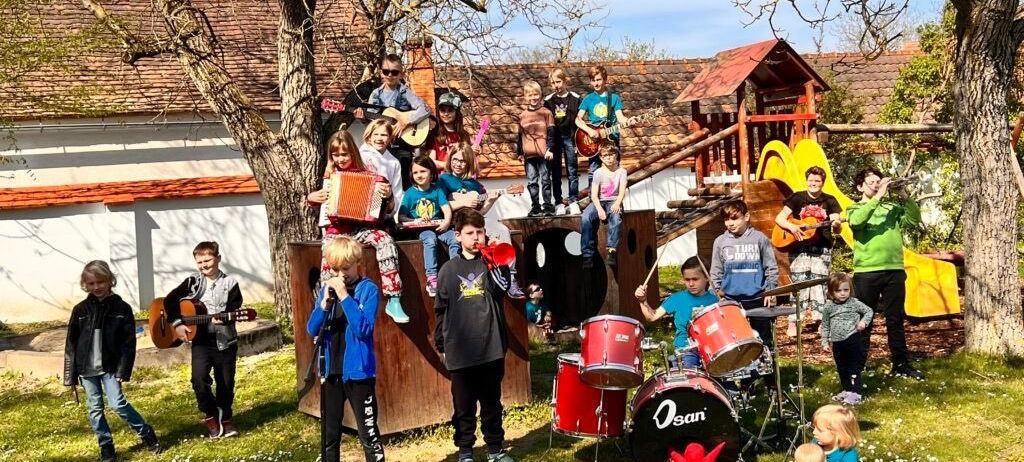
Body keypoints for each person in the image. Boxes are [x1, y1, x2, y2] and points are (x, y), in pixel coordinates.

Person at [434, 208, 519, 462]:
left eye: (479, 232)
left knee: (492, 403)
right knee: (463, 406)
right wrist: (441, 344)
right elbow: (440, 309)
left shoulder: (494, 263)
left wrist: (494, 260)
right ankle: (465, 452)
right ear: (457, 236)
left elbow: (501, 289)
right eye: (470, 233)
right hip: (460, 349)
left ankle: (495, 449)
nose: (476, 238)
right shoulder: (448, 270)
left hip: (490, 345)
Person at [307, 130, 409, 323]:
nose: (340, 159)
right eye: (335, 155)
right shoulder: (330, 177)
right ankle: (323, 311)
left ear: (353, 153)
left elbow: (388, 210)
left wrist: (388, 197)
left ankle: (393, 298)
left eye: (344, 154)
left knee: (384, 239)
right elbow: (318, 203)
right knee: (329, 258)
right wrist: (311, 198)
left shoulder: (371, 177)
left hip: (359, 229)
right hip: (336, 231)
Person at [64, 261, 162, 462]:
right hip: (87, 369)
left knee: (117, 404)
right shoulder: (80, 310)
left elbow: (128, 344)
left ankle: (146, 432)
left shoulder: (122, 308)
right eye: (91, 283)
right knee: (95, 408)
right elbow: (71, 343)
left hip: (110, 367)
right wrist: (70, 375)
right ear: (85, 285)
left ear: (110, 281)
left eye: (100, 282)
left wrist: (122, 371)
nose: (96, 287)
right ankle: (106, 445)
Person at [306, 236, 386, 462]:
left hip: (359, 373)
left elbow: (363, 329)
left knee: (367, 432)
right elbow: (312, 329)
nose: (342, 273)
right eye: (336, 268)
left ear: (357, 262)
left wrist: (344, 296)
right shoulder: (327, 291)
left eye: (346, 267)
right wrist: (323, 306)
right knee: (329, 435)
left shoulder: (367, 290)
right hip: (332, 371)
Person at [848, 167, 924, 380]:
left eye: (878, 181)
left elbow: (913, 221)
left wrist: (904, 196)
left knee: (895, 319)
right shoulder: (854, 208)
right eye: (871, 182)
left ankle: (901, 364)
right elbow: (857, 222)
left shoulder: (892, 207)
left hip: (894, 271)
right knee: (865, 320)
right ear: (860, 187)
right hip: (866, 272)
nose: (876, 184)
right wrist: (879, 195)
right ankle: (858, 365)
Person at [165, 241, 243, 438]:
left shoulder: (230, 284)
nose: (204, 265)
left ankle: (226, 418)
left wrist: (224, 318)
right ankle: (210, 414)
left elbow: (234, 309)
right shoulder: (193, 281)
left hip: (224, 341)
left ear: (218, 258)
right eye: (199, 262)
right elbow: (169, 300)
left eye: (207, 260)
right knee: (198, 379)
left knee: (225, 382)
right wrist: (178, 324)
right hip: (200, 342)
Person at [774, 166, 842, 337]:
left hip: (822, 247)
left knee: (820, 284)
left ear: (822, 183)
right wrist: (792, 227)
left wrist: (837, 224)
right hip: (799, 247)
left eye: (817, 181)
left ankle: (821, 322)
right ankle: (794, 321)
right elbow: (780, 218)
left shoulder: (830, 200)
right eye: (811, 180)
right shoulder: (797, 198)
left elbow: (837, 225)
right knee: (799, 284)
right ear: (807, 181)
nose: (814, 184)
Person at [710, 199, 779, 350]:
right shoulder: (720, 241)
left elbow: (771, 267)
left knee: (763, 339)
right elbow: (716, 270)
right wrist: (716, 291)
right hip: (730, 299)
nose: (730, 223)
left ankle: (767, 372)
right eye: (727, 219)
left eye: (735, 218)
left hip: (757, 298)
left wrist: (771, 290)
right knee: (735, 339)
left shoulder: (759, 238)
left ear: (746, 217)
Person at [355, 53, 431, 187]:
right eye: (386, 71)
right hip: (382, 147)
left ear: (400, 74)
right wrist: (362, 119)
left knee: (404, 181)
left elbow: (425, 109)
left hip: (402, 145)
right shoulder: (375, 95)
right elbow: (373, 123)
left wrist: (406, 121)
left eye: (394, 72)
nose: (390, 75)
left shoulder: (404, 92)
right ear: (381, 73)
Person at [634, 256, 718, 369]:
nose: (691, 284)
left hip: (712, 348)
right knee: (689, 375)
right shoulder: (677, 298)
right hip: (686, 350)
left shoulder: (715, 300)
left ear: (707, 277)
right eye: (687, 280)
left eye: (695, 279)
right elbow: (652, 317)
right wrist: (642, 301)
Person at [399, 155, 456, 297]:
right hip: (422, 229)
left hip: (439, 226)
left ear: (431, 173)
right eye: (416, 172)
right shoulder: (410, 193)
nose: (419, 175)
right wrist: (415, 221)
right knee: (430, 240)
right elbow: (401, 217)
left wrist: (447, 221)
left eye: (423, 171)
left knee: (455, 238)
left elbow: (446, 208)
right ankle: (432, 278)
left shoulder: (437, 190)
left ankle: (457, 269)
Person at [575, 65, 635, 187]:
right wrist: (589, 131)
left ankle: (615, 202)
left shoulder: (614, 98)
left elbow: (620, 118)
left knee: (615, 172)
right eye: (593, 80)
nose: (596, 83)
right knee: (594, 171)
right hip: (594, 142)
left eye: (598, 79)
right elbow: (578, 119)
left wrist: (628, 121)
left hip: (611, 140)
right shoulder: (588, 99)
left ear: (605, 79)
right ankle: (594, 201)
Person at [820, 272, 873, 405]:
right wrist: (825, 342)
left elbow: (869, 311)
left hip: (853, 339)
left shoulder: (854, 303)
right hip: (837, 342)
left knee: (853, 366)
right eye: (838, 291)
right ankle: (847, 389)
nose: (843, 293)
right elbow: (825, 325)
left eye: (846, 290)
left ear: (850, 289)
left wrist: (863, 323)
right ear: (831, 292)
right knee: (841, 367)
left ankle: (856, 392)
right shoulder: (828, 307)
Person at [580, 142, 628, 268]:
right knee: (585, 217)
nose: (608, 158)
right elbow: (594, 195)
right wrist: (600, 210)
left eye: (611, 155)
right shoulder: (598, 173)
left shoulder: (622, 171)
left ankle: (611, 250)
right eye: (605, 155)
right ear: (601, 158)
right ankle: (587, 254)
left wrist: (618, 203)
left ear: (616, 155)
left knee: (616, 218)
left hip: (614, 200)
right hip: (599, 201)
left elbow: (622, 191)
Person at [516, 80, 556, 217]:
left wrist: (550, 149)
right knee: (532, 182)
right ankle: (536, 207)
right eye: (530, 95)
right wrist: (519, 153)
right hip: (529, 155)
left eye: (536, 94)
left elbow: (551, 132)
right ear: (525, 97)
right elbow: (519, 136)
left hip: (544, 153)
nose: (533, 98)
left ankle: (548, 206)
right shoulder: (522, 116)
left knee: (545, 179)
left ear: (540, 95)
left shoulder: (546, 113)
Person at [544, 68, 581, 212]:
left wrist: (578, 142)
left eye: (558, 82)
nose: (556, 85)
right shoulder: (548, 101)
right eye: (553, 83)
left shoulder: (575, 98)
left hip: (570, 139)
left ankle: (573, 200)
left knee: (572, 170)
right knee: (556, 172)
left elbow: (579, 121)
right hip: (555, 140)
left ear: (565, 81)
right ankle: (558, 202)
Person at [360, 119, 404, 219]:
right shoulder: (360, 155)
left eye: (384, 135)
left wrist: (390, 196)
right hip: (357, 208)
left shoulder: (394, 163)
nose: (379, 138)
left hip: (380, 215)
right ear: (369, 137)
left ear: (390, 138)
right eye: (376, 134)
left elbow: (398, 193)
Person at [439, 144, 499, 215]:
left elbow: (479, 214)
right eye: (455, 159)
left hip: (468, 223)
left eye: (462, 161)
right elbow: (440, 206)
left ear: (469, 163)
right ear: (450, 159)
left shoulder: (475, 185)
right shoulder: (444, 179)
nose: (458, 164)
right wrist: (464, 203)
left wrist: (490, 201)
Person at [426, 91, 473, 171]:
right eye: (443, 110)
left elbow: (468, 162)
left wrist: (473, 153)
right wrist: (450, 165)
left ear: (457, 112)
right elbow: (431, 162)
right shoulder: (434, 135)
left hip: (459, 179)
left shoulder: (464, 135)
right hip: (442, 180)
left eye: (450, 110)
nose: (446, 114)